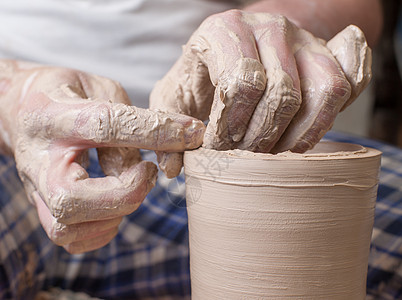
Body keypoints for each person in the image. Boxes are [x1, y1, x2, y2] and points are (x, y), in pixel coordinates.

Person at [0, 0, 382, 298]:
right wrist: (13, 90)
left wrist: (267, 43)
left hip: (217, 136)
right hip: (16, 132)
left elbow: (361, 7)